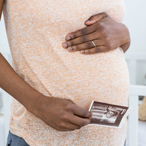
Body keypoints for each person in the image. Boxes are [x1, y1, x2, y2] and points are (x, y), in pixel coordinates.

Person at [0, 0, 130, 146]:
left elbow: (107, 48)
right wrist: (36, 104)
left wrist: (125, 37)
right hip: (40, 139)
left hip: (112, 137)